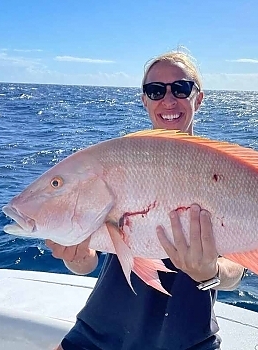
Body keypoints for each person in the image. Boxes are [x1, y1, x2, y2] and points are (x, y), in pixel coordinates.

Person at [46, 49, 246, 350]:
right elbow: (88, 264)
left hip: (188, 342)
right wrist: (74, 256)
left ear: (199, 98)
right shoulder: (117, 161)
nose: (168, 100)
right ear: (144, 101)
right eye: (155, 91)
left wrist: (211, 272)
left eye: (181, 88)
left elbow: (237, 272)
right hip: (96, 335)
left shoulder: (224, 170)